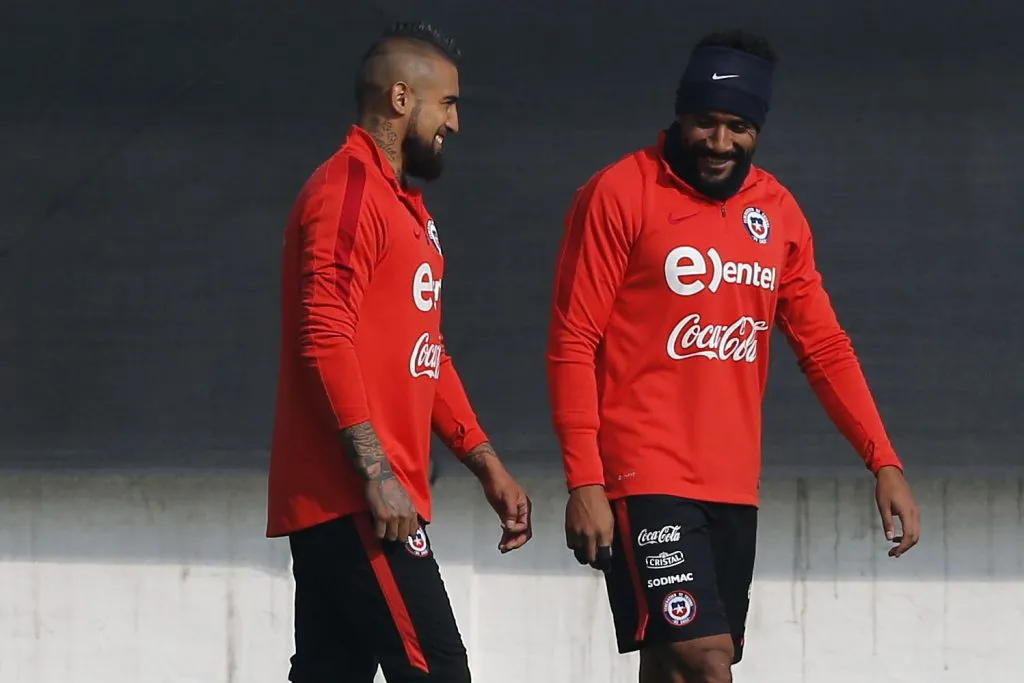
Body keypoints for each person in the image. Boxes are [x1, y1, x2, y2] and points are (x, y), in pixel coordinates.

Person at [546, 30, 921, 683]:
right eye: (706, 123)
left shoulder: (777, 213)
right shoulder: (618, 192)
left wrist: (882, 459)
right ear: (680, 114)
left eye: (738, 127)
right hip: (643, 474)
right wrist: (584, 480)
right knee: (706, 659)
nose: (720, 143)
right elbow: (573, 339)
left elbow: (825, 347)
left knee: (673, 665)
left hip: (732, 484)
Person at [266, 21, 533, 683]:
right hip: (355, 497)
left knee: (332, 671)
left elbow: (426, 351)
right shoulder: (347, 191)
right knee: (438, 669)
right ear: (401, 99)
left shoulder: (406, 206)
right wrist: (375, 472)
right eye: (449, 105)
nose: (457, 124)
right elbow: (323, 335)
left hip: (367, 495)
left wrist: (485, 461)